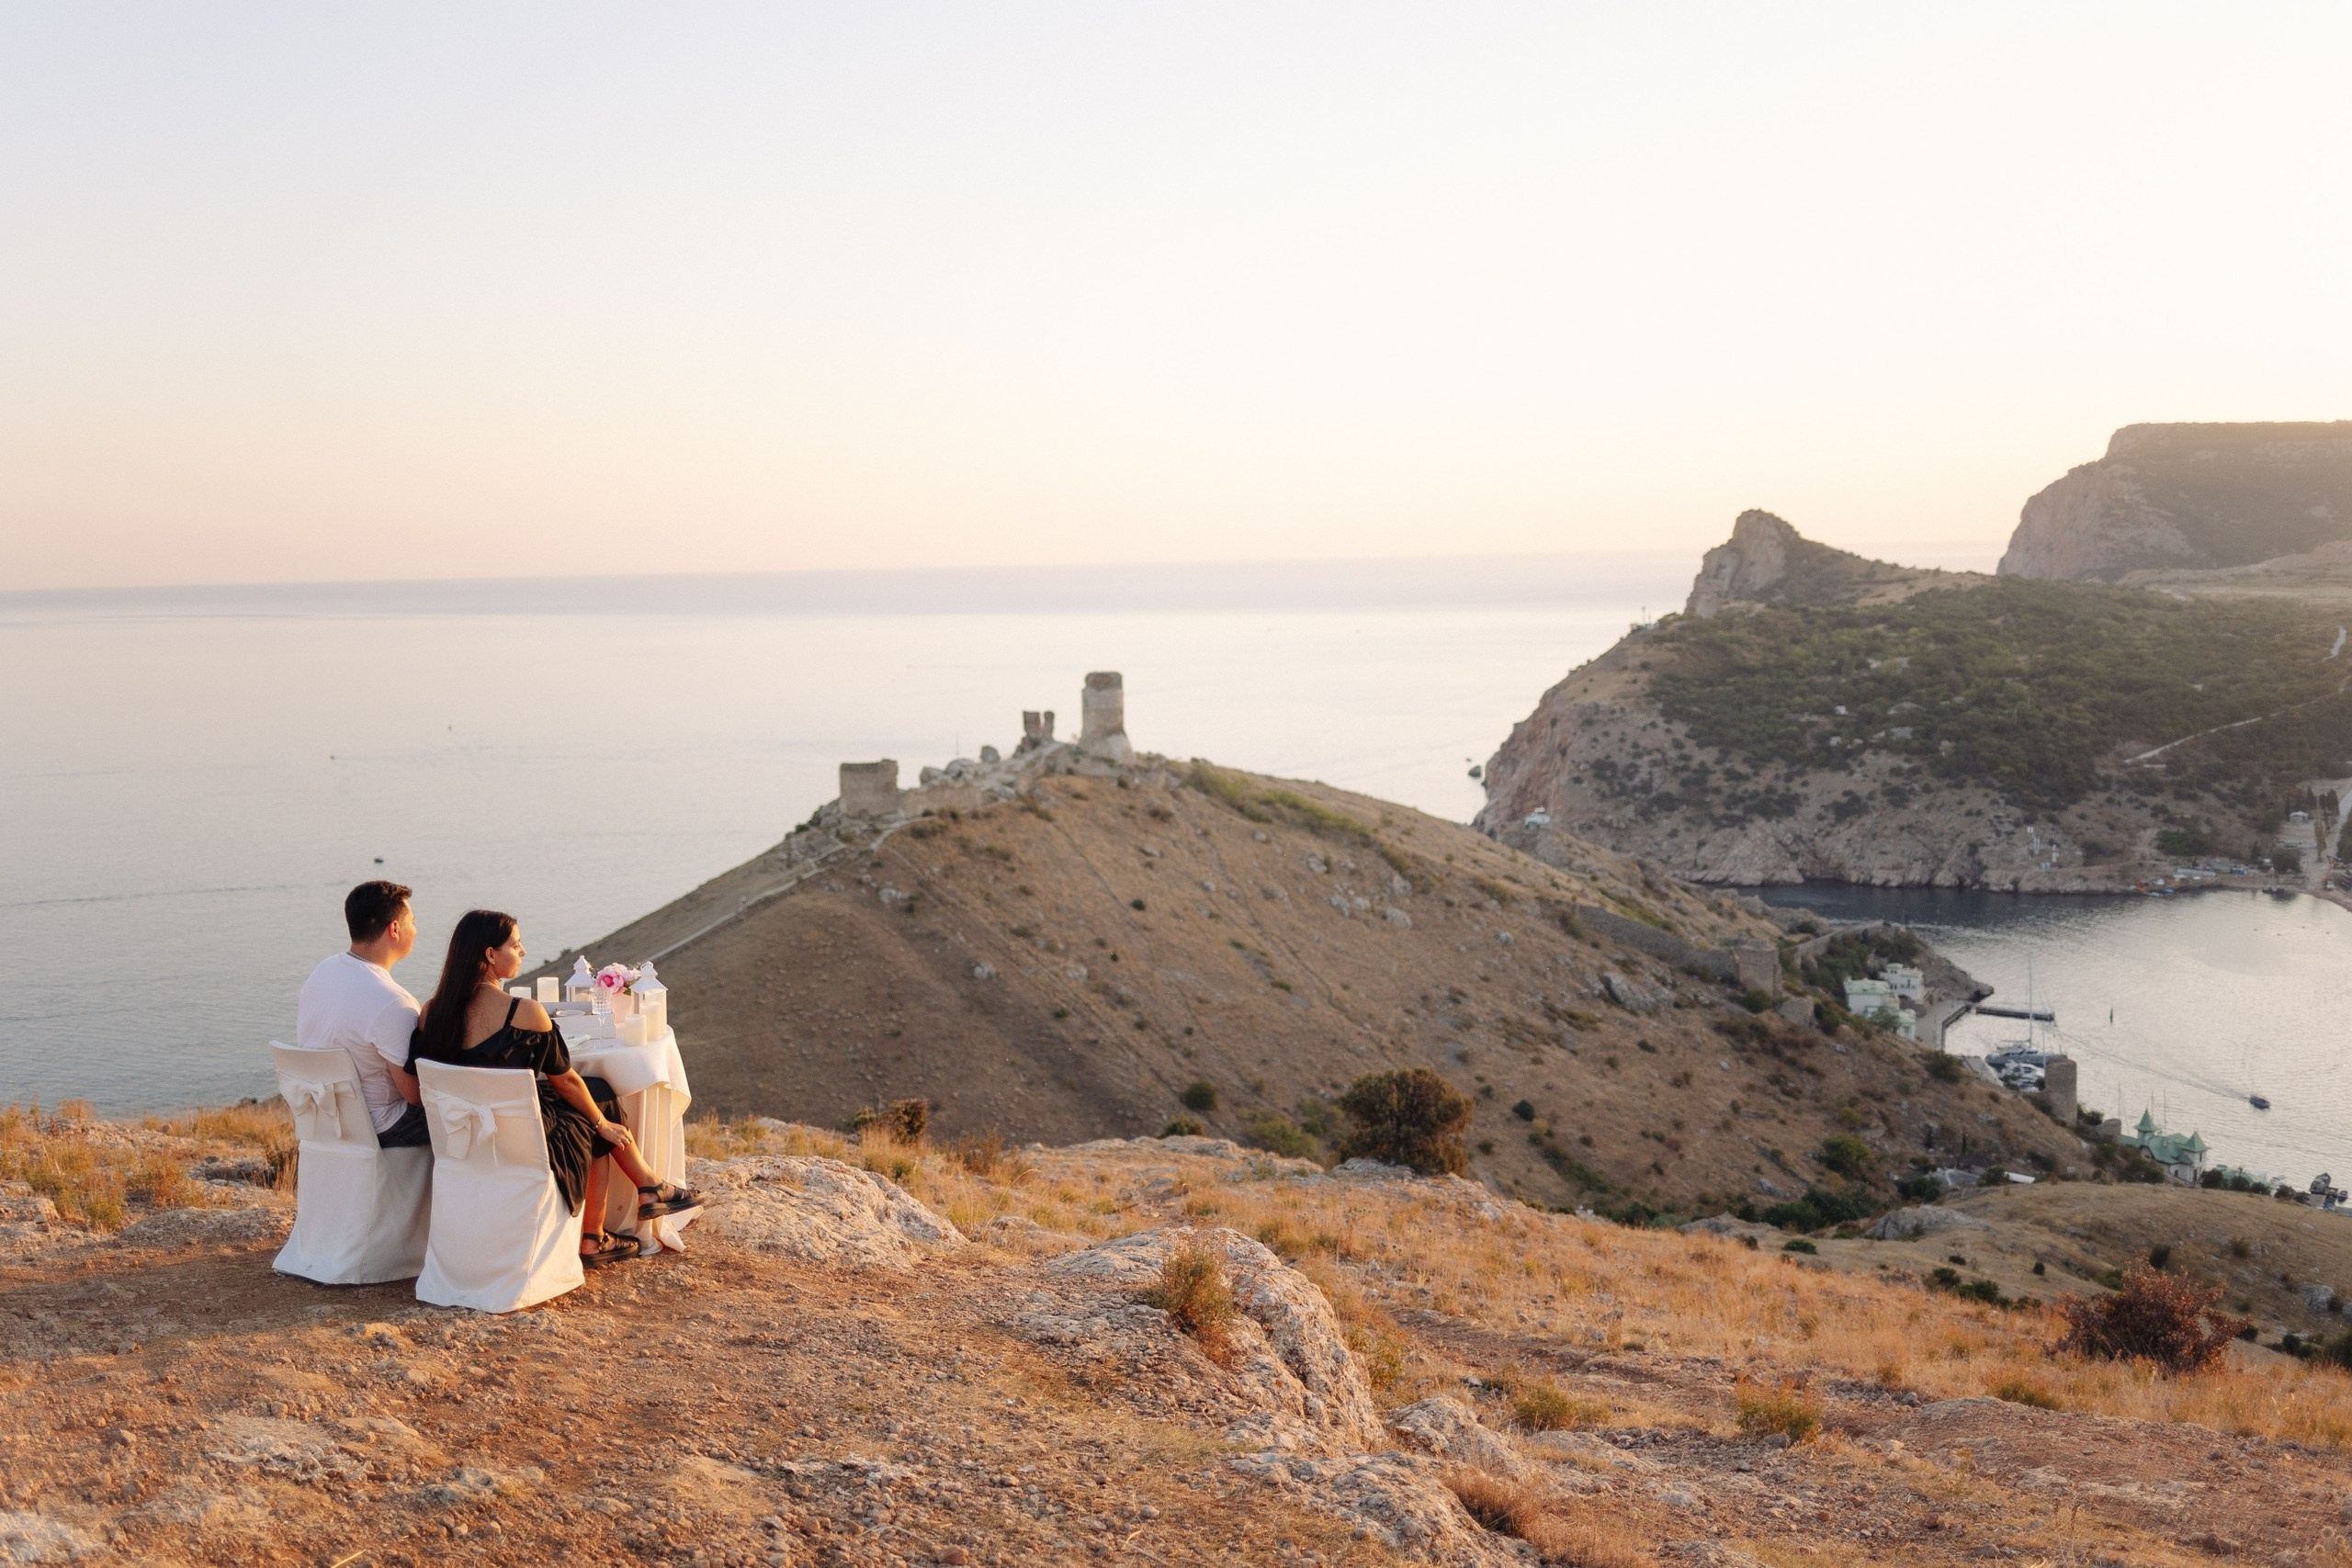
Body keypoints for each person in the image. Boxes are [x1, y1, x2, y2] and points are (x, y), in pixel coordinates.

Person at [407, 908, 702, 1267]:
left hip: (462, 1132)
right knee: (595, 1111)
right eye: (516, 945)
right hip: (521, 1136)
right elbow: (566, 1081)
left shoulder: (431, 1013)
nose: (523, 952)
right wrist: (601, 1124)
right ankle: (599, 1232)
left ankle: (645, 1188)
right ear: (489, 954)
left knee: (599, 1091)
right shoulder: (524, 1013)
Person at [297, 881, 430, 1147]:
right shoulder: (394, 1002)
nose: (416, 930)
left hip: (326, 1120)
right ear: (394, 929)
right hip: (380, 1128)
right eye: (413, 922)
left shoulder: (323, 971)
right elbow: (415, 1095)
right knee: (467, 1114)